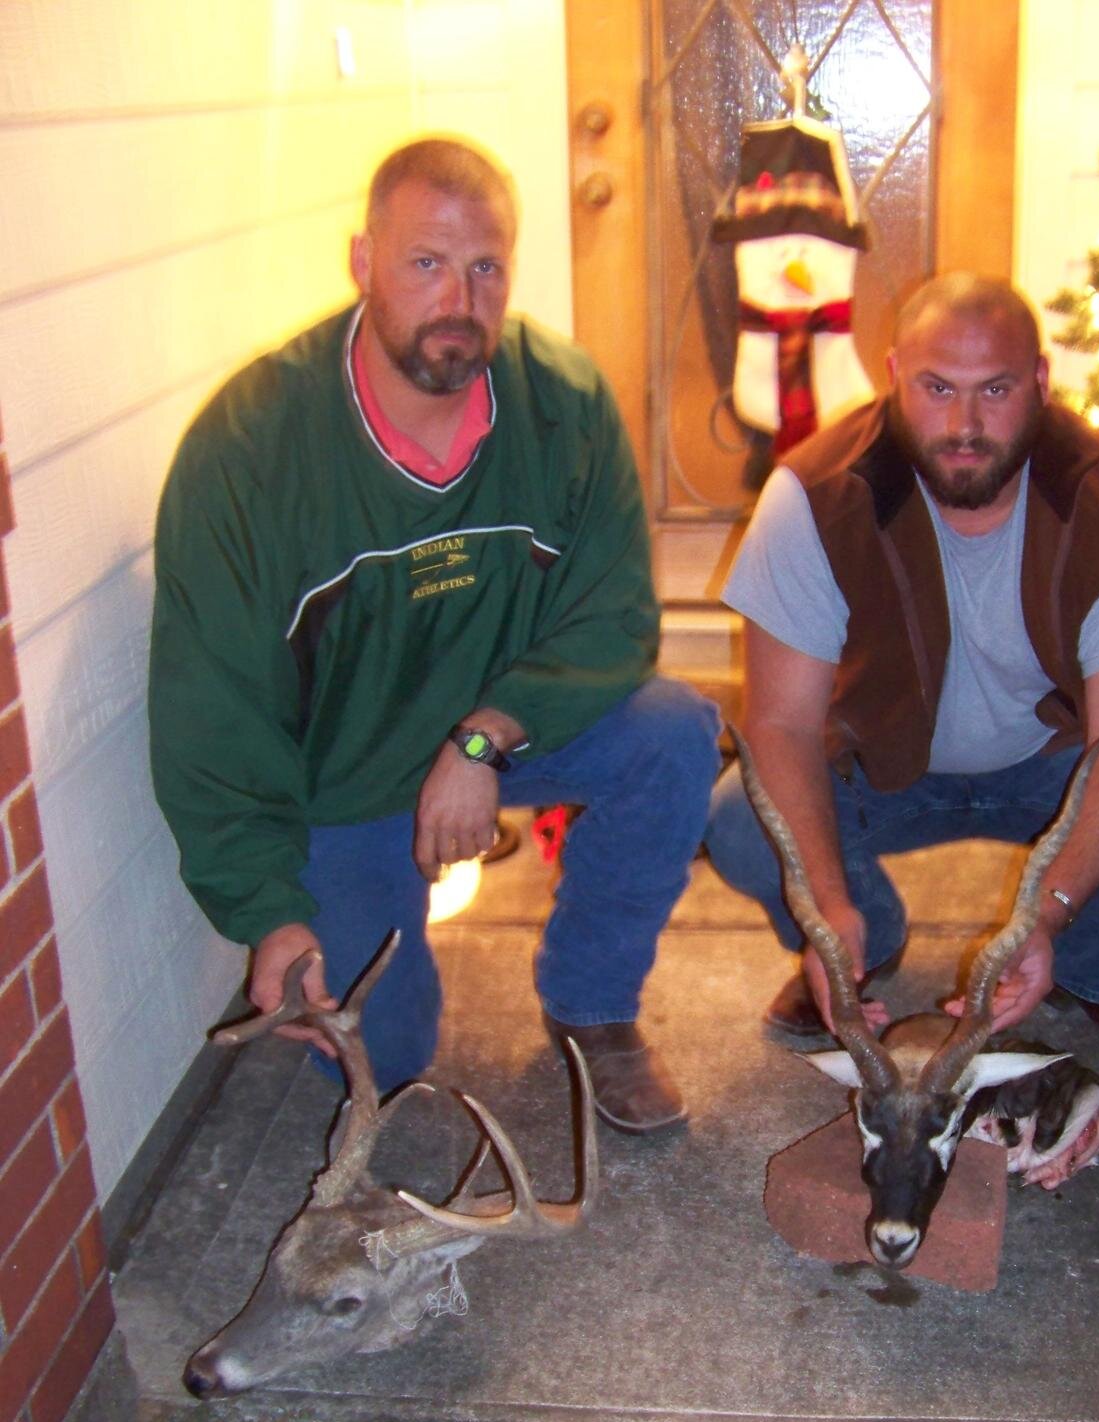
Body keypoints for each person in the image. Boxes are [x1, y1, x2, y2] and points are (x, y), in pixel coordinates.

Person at [150, 138, 718, 1132]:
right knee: (391, 1061)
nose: (460, 298)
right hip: (346, 779)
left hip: (499, 731)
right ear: (363, 261)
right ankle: (370, 956)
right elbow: (213, 716)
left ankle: (594, 1005)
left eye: (486, 267)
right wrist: (270, 914)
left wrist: (482, 737)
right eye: (425, 263)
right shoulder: (248, 450)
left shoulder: (565, 404)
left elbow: (615, 616)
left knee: (673, 733)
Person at [705, 272, 1099, 1060]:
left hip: (1054, 766)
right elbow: (782, 727)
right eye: (936, 388)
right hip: (878, 765)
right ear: (894, 377)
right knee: (739, 822)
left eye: (994, 389)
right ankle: (863, 944)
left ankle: (1094, 970)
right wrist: (825, 906)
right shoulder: (814, 496)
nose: (964, 424)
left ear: (1039, 382)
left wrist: (1048, 915)